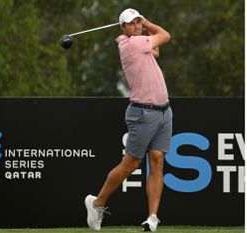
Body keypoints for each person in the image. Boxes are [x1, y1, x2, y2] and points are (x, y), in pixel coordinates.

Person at [84, 8, 172, 231]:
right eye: (131, 23)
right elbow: (165, 35)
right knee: (131, 163)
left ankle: (152, 217)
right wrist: (149, 22)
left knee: (157, 160)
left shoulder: (140, 43)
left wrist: (145, 28)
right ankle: (97, 202)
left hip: (164, 111)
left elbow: (157, 50)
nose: (136, 26)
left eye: (137, 22)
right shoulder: (131, 44)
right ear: (122, 27)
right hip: (143, 112)